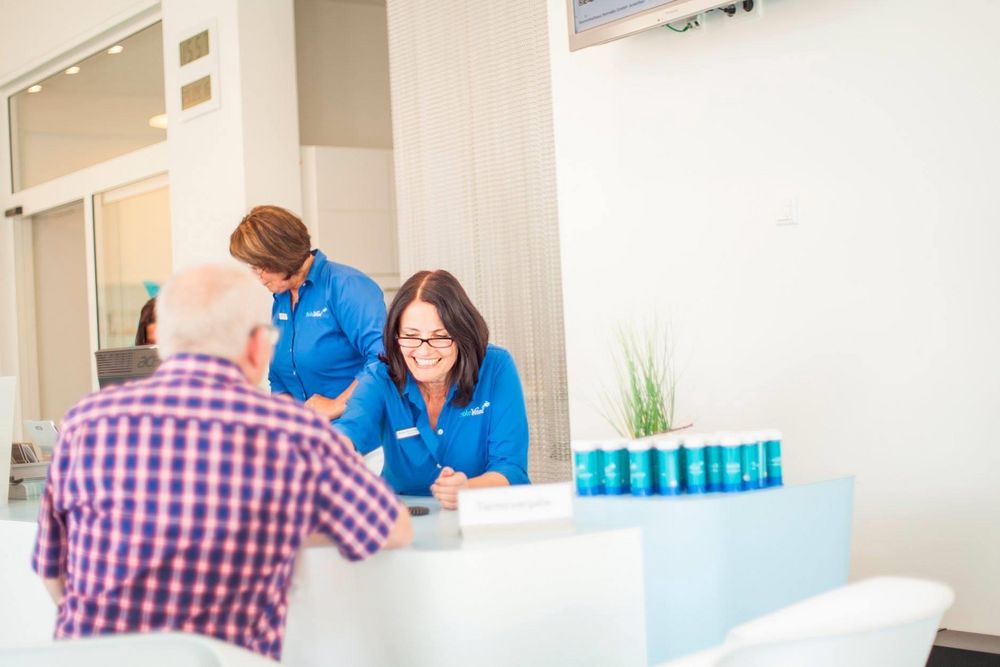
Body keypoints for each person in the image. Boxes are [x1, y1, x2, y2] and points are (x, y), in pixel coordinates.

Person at [32, 264, 412, 660]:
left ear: (163, 343)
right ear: (257, 347)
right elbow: (392, 527)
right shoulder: (291, 431)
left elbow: (52, 571)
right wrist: (285, 523)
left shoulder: (84, 422)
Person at [335, 270, 530, 509]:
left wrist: (467, 490)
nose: (424, 351)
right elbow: (351, 428)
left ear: (462, 335)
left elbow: (511, 469)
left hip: (479, 514)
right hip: (403, 518)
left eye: (440, 337)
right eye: (410, 336)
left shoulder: (495, 367)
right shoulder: (380, 377)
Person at [230, 205, 386, 421]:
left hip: (356, 424)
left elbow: (383, 358)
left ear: (281, 256)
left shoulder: (346, 286)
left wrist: (338, 404)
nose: (258, 277)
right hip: (307, 429)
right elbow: (279, 376)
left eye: (260, 267)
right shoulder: (282, 298)